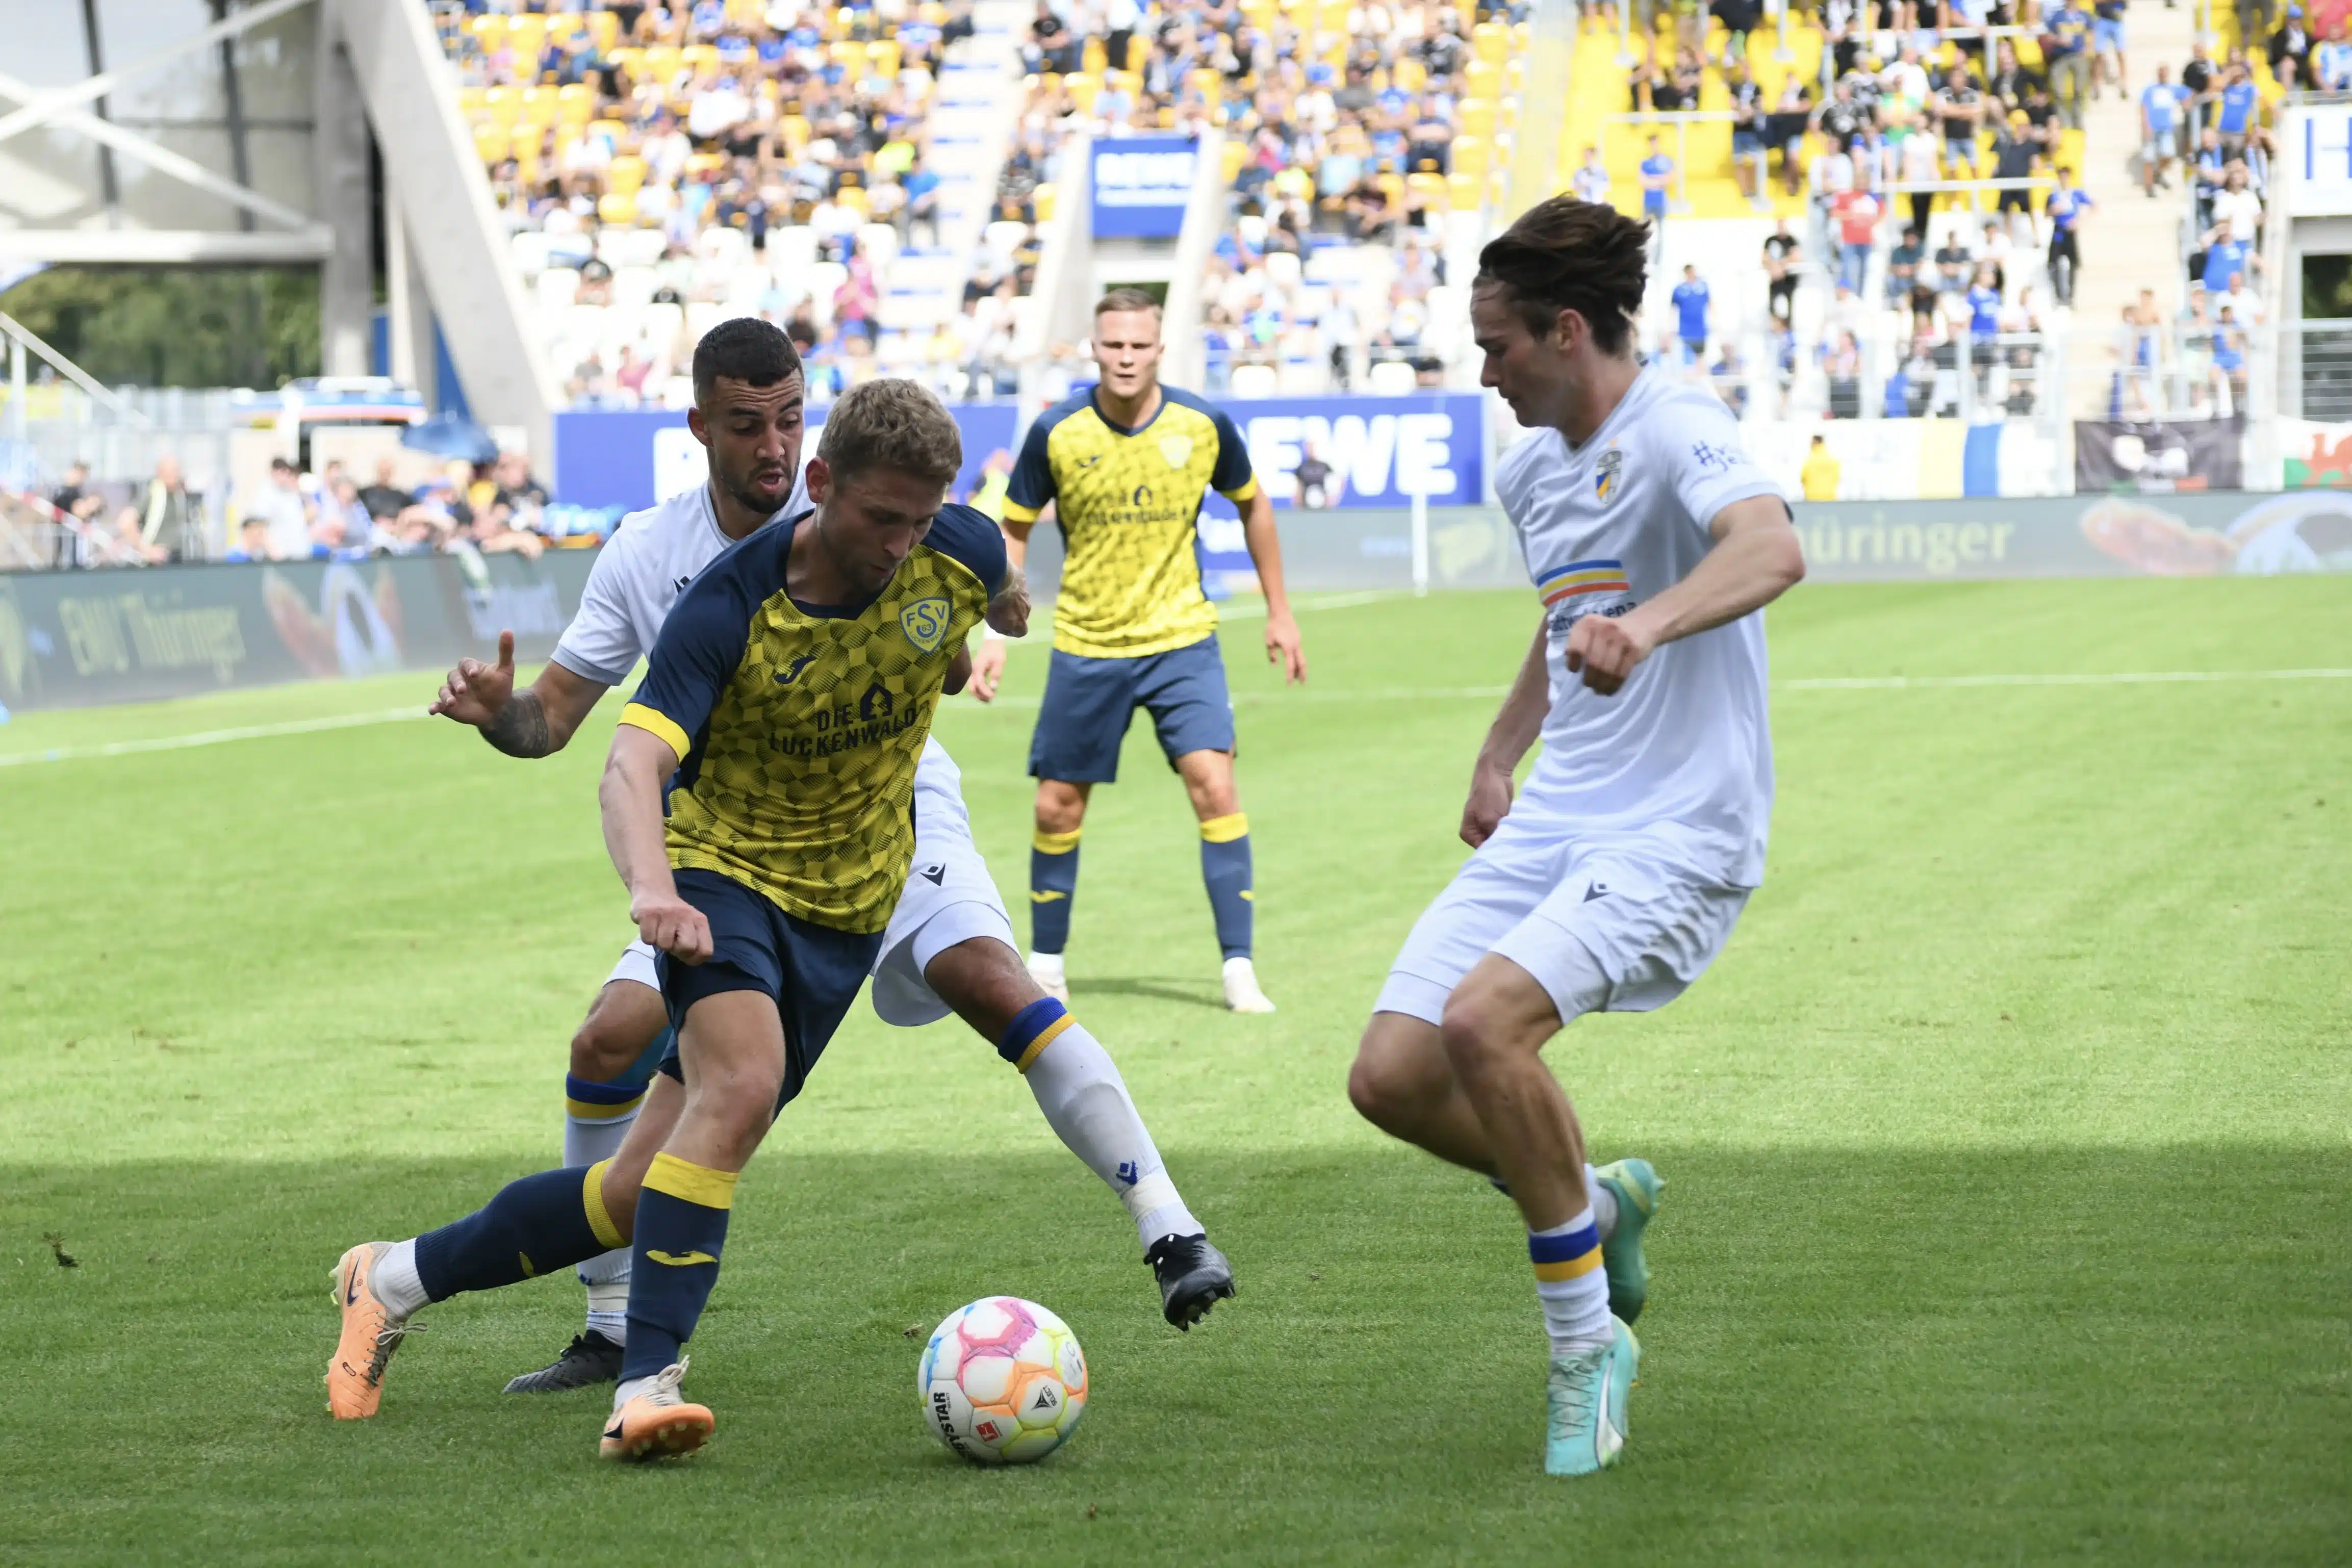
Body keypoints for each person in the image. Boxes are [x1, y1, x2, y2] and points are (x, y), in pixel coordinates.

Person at [399, 322, 1233, 1402]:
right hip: (736, 854)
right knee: (616, 1049)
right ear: (699, 425)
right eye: (746, 424)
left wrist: (1002, 606)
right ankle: (602, 1330)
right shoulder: (665, 564)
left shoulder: (898, 514)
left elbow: (985, 577)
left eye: (789, 418)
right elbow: (560, 726)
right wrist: (496, 717)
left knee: (990, 980)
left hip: (897, 823)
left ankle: (1167, 1226)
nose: (772, 446)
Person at [327, 377, 1019, 1461]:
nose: (900, 544)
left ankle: (392, 1276)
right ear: (824, 487)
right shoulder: (728, 601)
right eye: (882, 518)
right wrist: (653, 891)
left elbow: (986, 580)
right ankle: (645, 1383)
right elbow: (629, 761)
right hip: (719, 873)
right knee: (736, 1087)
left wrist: (1004, 604)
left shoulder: (953, 547)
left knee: (631, 1190)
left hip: (844, 908)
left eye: (919, 521)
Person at [1346, 194, 1804, 1478]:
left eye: (1493, 347)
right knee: (1388, 1075)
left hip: (1677, 830)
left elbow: (1770, 547)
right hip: (1558, 815)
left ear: (1561, 331)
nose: (1480, 372)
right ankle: (1596, 1202)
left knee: (1482, 1024)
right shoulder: (1526, 465)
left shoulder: (1676, 425)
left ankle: (1583, 1342)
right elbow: (1566, 620)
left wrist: (1650, 625)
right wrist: (1499, 750)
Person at [976, 289, 1305, 1016]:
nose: (1126, 357)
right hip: (1088, 645)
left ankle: (1239, 968)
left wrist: (1280, 612)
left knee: (1215, 787)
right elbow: (1015, 528)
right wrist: (997, 630)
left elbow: (1253, 503)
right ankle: (1048, 963)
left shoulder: (1203, 423)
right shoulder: (1056, 432)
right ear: (1094, 348)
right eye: (1113, 345)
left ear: (1161, 350)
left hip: (1182, 639)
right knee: (1057, 806)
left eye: (1139, 345)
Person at [120, 455, 201, 562]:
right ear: (160, 473)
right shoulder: (152, 495)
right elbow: (125, 522)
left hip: (178, 559)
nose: (175, 476)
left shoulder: (179, 496)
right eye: (170, 472)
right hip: (157, 562)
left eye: (176, 471)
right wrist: (146, 550)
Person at [2045, 166, 2092, 306]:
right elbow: (2046, 213)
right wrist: (2053, 210)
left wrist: (2079, 221)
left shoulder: (2076, 194)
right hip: (2058, 231)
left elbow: (2093, 206)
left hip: (2070, 232)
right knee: (2053, 264)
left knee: (2073, 264)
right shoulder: (2053, 195)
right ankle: (2059, 296)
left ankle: (2071, 296)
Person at [2140, 65, 2187, 197]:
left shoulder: (2172, 89)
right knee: (2149, 158)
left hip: (2166, 128)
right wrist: (2145, 125)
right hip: (2152, 127)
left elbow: (2188, 95)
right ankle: (2149, 186)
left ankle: (2158, 173)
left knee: (2169, 155)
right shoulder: (2150, 90)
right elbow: (2143, 107)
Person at [256, 456, 314, 562]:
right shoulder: (266, 495)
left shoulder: (291, 495)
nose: (286, 475)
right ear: (274, 472)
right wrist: (275, 553)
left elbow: (306, 518)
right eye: (282, 471)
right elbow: (260, 527)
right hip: (278, 560)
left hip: (298, 557)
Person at [1638, 136, 1673, 262]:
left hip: (1661, 201)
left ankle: (1659, 259)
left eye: (1655, 143)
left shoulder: (1666, 161)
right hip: (1648, 201)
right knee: (1646, 230)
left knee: (1661, 231)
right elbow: (1642, 181)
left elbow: (1668, 180)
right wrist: (1658, 181)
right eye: (1651, 144)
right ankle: (1646, 258)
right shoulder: (1645, 162)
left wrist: (1651, 181)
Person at [1670, 265, 1710, 363]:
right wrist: (1671, 326)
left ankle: (1699, 376)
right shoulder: (1679, 290)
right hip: (1685, 331)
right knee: (1686, 359)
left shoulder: (1703, 287)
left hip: (1700, 330)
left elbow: (1710, 304)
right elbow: (1673, 309)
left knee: (1700, 358)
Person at [1293, 440, 1337, 508]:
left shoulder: (1324, 466)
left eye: (1313, 447)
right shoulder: (1302, 467)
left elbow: (1333, 481)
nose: (1311, 450)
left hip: (1323, 502)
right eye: (1309, 448)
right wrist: (1298, 499)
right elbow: (1299, 487)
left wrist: (1332, 497)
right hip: (1306, 503)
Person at [1801, 433, 1842, 499]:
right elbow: (1837, 478)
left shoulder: (1809, 462)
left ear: (1815, 442)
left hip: (1812, 497)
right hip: (1830, 497)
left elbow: (1803, 479)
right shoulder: (1833, 461)